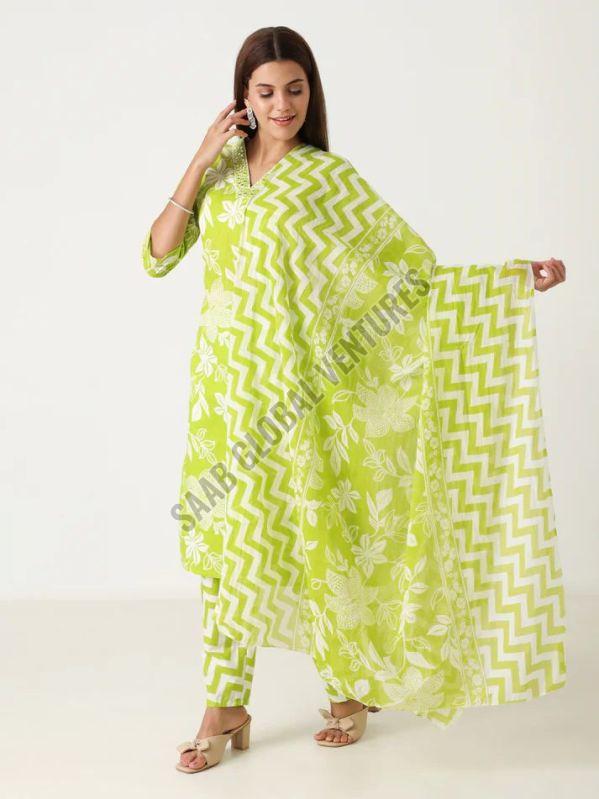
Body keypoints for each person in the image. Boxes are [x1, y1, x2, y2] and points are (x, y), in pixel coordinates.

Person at [141, 26, 567, 773]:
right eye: (266, 91)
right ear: (242, 98)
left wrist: (507, 281)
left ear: (312, 92)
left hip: (305, 398)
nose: (282, 105)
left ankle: (347, 689)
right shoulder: (221, 175)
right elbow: (157, 255)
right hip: (226, 397)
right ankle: (224, 703)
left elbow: (413, 275)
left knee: (318, 539)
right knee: (232, 549)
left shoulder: (327, 181)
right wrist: (201, 157)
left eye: (295, 89)